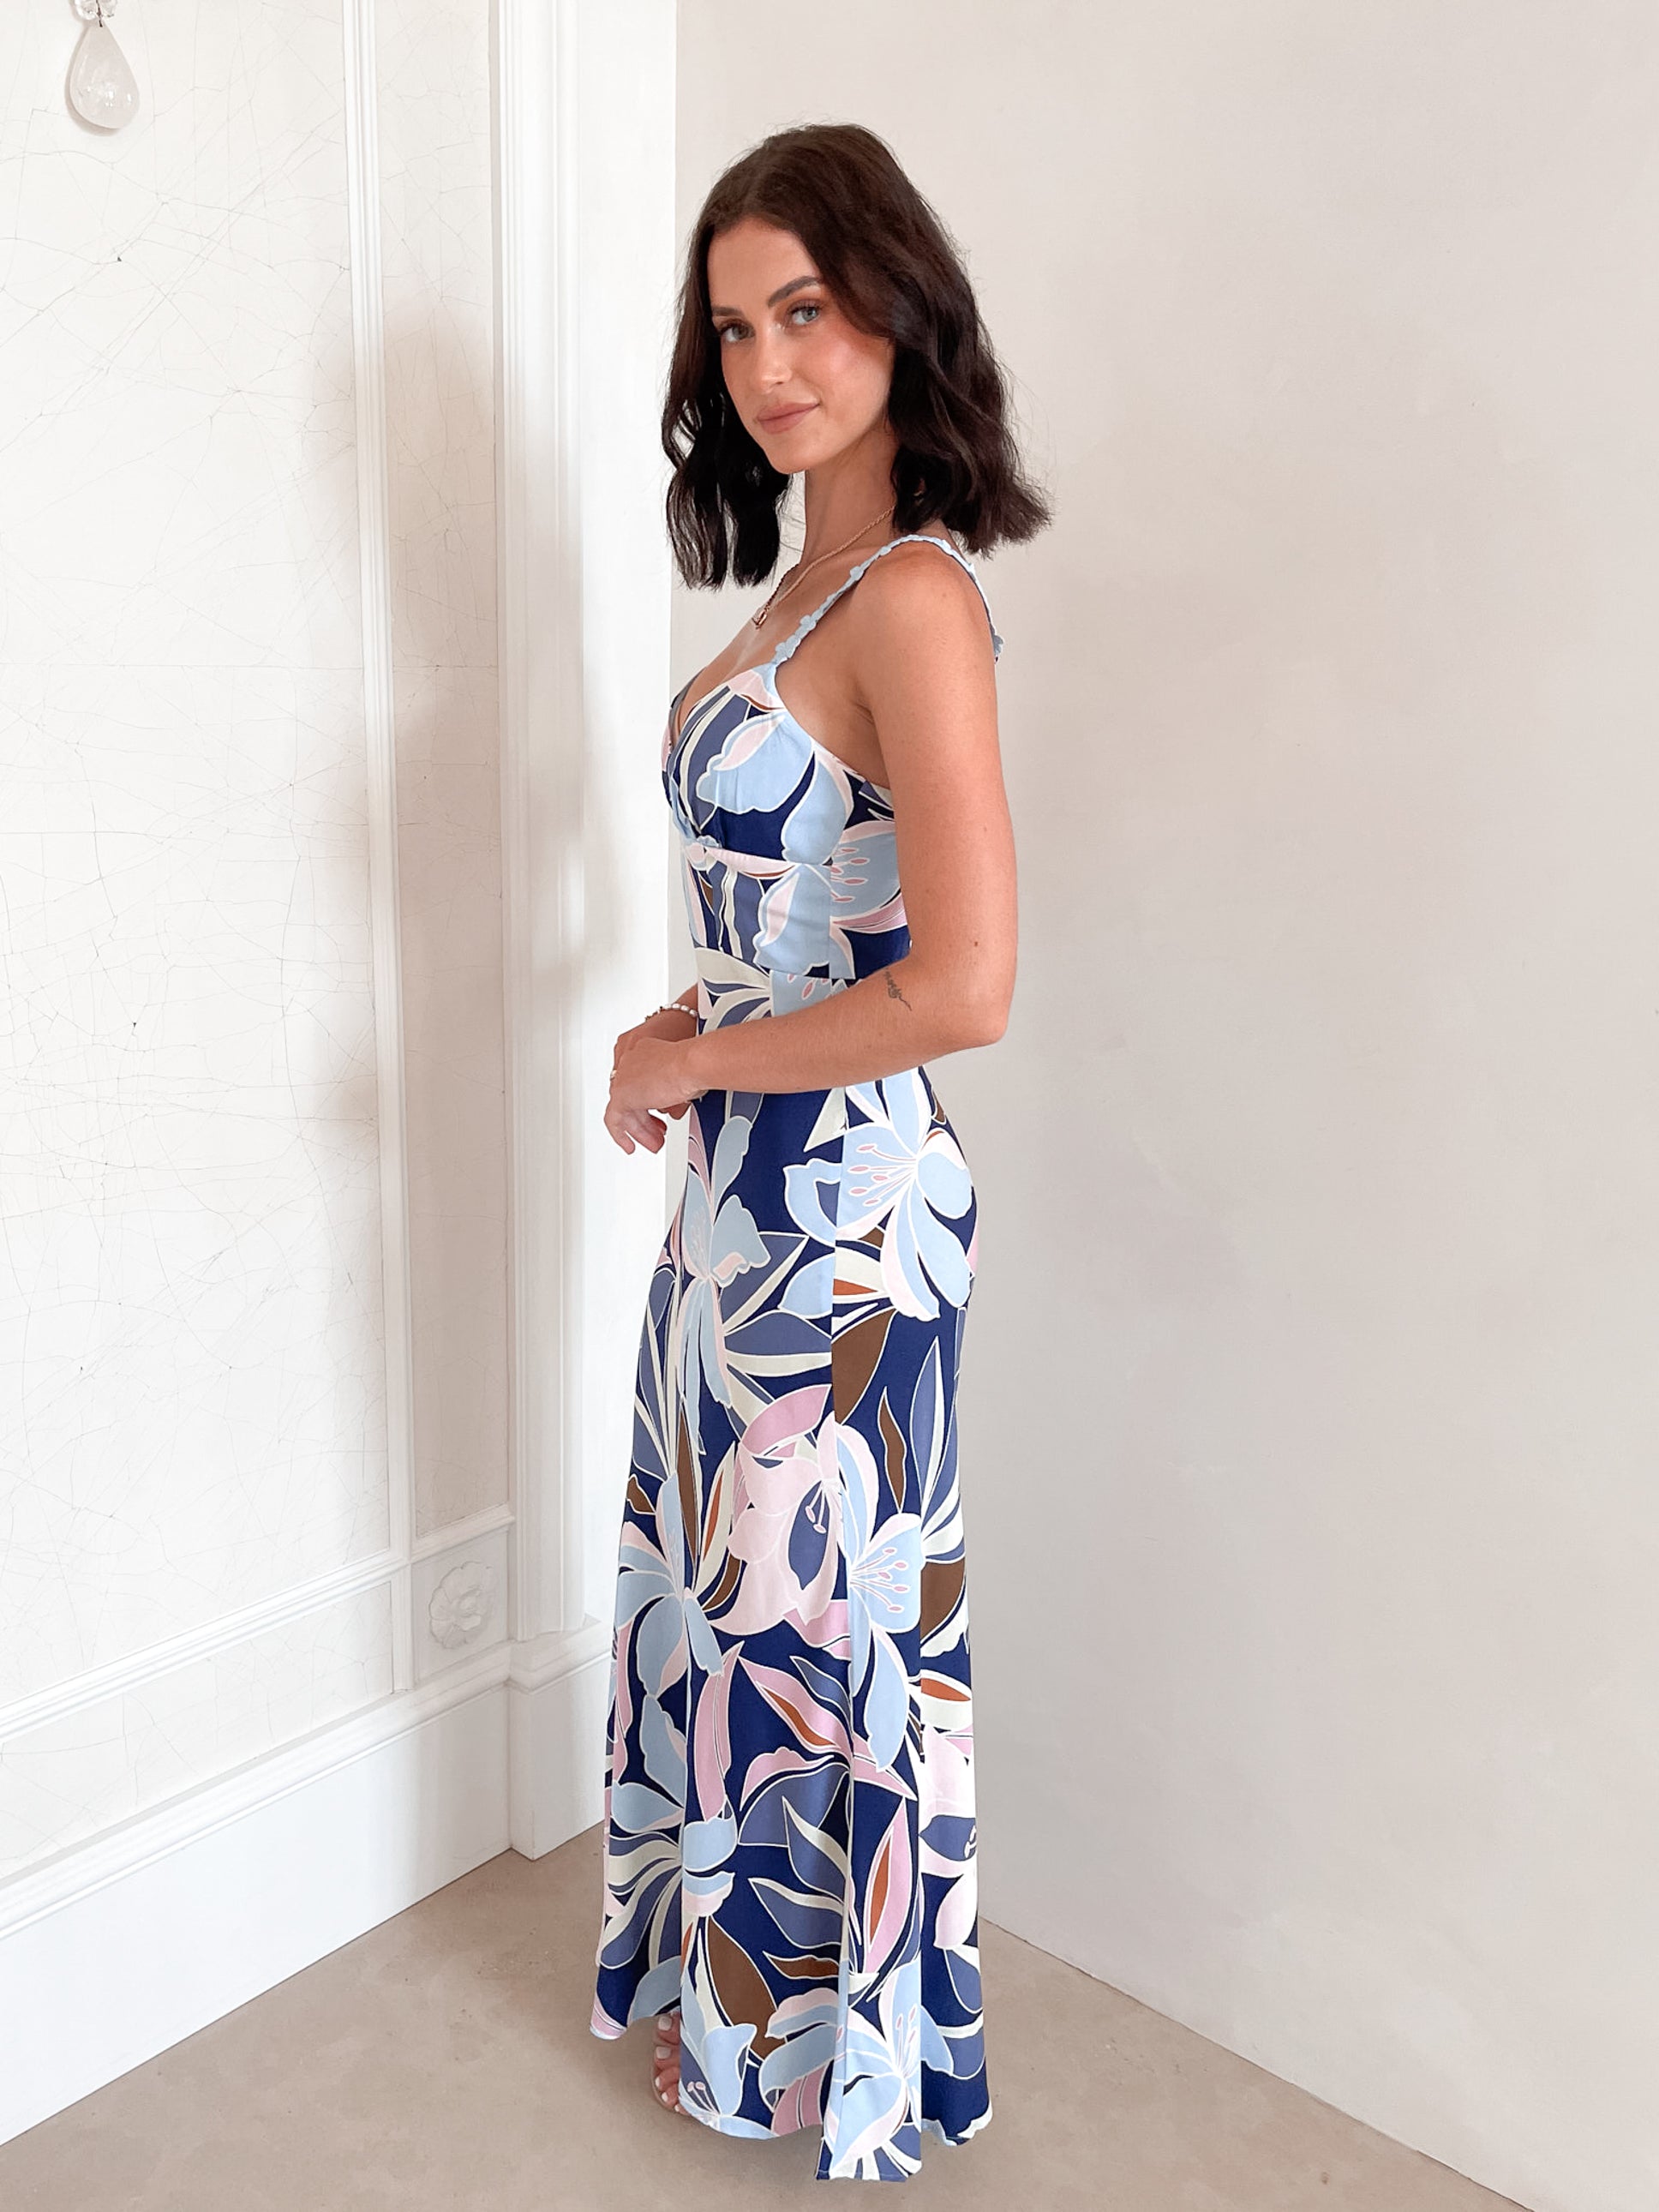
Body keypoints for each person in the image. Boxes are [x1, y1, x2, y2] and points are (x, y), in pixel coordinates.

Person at [588, 120, 1049, 2184]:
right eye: (733, 325)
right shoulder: (808, 582)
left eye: (806, 307)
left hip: (846, 1216)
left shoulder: (916, 598)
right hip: (742, 1204)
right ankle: (747, 2038)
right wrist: (678, 1032)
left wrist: (713, 1063)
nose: (771, 360)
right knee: (734, 1616)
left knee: (821, 1645)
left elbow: (961, 985)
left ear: (893, 302)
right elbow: (808, 928)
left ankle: (845, 2063)